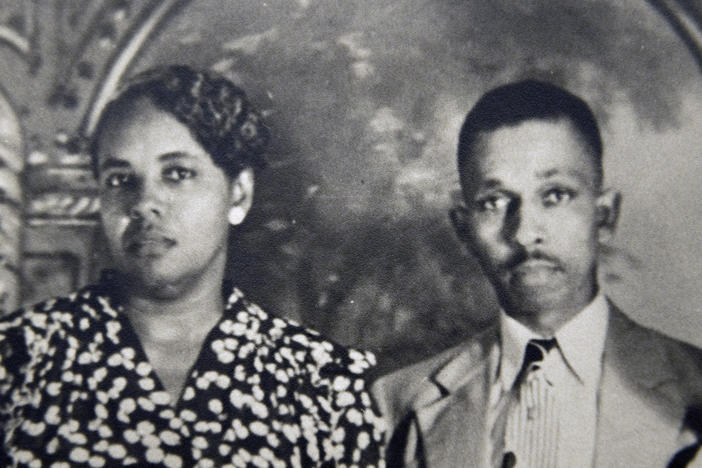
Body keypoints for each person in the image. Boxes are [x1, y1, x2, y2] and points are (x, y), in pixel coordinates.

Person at [0, 65, 384, 467]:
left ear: (238, 194)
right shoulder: (19, 359)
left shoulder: (329, 384)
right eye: (119, 179)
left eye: (177, 174)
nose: (144, 203)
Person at [372, 79, 702, 467]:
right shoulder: (397, 404)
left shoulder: (694, 386)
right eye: (494, 202)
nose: (526, 234)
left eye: (555, 195)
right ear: (464, 230)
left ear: (604, 215)